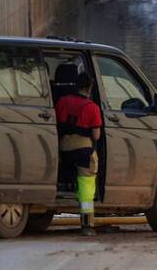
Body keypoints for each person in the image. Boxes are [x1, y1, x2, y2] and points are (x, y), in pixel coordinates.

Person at [55, 72, 102, 235]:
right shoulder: (92, 108)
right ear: (90, 88)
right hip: (83, 151)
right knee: (86, 188)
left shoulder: (62, 101)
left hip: (63, 149)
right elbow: (96, 136)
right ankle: (87, 225)